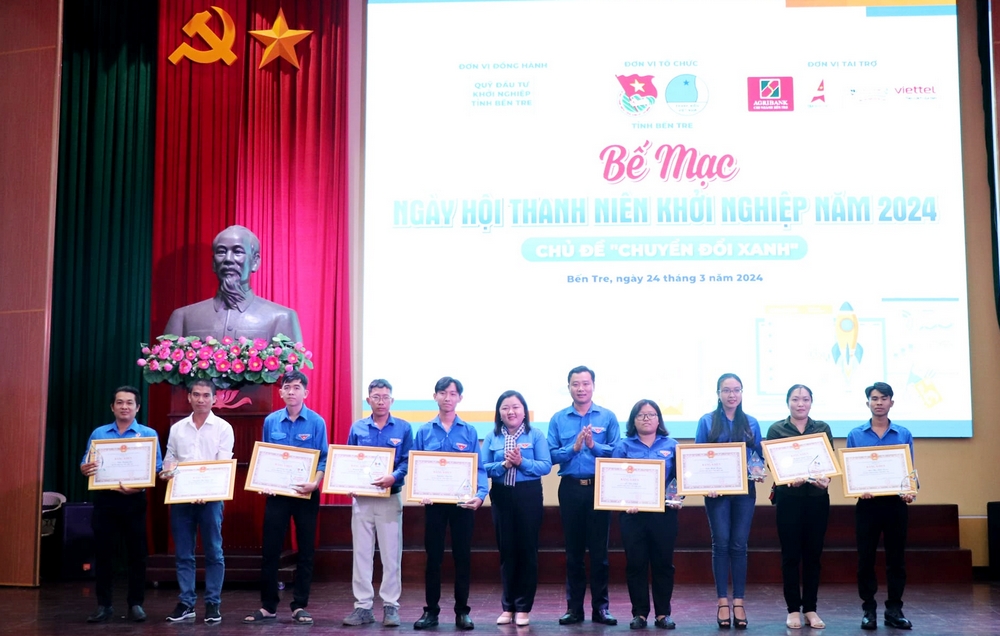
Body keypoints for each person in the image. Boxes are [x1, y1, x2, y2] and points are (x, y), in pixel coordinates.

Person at [244, 371, 327, 625]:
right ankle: (268, 605)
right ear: (280, 392)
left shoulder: (316, 422)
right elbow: (266, 456)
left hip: (306, 493)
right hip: (277, 495)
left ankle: (299, 605)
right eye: (287, 387)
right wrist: (264, 481)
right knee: (270, 549)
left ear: (305, 393)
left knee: (305, 550)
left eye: (297, 387)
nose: (291, 391)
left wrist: (315, 483)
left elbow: (323, 458)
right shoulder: (271, 421)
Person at [80, 386, 163, 623]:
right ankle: (104, 605)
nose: (124, 407)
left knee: (137, 554)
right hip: (105, 500)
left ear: (137, 407)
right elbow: (86, 462)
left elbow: (157, 468)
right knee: (103, 554)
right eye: (119, 402)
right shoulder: (99, 433)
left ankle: (136, 604)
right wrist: (84, 468)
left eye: (129, 403)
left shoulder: (148, 434)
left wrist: (139, 486)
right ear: (112, 407)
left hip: (134, 500)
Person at [412, 377, 488, 631]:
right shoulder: (424, 431)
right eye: (443, 393)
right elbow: (416, 466)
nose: (447, 397)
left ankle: (462, 612)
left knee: (462, 557)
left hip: (463, 505)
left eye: (453, 393)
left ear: (460, 398)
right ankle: (431, 611)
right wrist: (419, 491)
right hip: (433, 504)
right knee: (433, 558)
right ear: (435, 396)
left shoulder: (469, 431)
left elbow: (478, 467)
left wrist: (481, 494)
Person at [547, 365, 621, 626]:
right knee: (574, 552)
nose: (581, 388)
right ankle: (574, 609)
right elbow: (550, 455)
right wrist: (574, 448)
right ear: (568, 387)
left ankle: (601, 608)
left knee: (600, 553)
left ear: (593, 386)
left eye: (585, 383)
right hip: (570, 488)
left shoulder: (607, 417)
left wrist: (593, 445)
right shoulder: (558, 419)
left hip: (599, 488)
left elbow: (617, 452)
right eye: (575, 384)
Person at [159, 379, 235, 623]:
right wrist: (165, 472)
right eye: (196, 394)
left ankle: (213, 603)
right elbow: (170, 459)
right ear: (189, 397)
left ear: (214, 399)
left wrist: (207, 491)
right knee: (183, 553)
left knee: (214, 551)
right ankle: (186, 602)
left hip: (211, 499)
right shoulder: (177, 429)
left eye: (206, 395)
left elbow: (223, 466)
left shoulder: (223, 428)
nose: (201, 399)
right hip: (181, 498)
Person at [342, 379, 413, 628]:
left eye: (385, 397)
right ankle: (363, 607)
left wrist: (393, 476)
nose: (381, 401)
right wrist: (347, 482)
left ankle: (391, 606)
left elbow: (407, 460)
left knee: (391, 555)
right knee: (361, 554)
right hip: (362, 500)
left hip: (390, 497)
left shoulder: (403, 428)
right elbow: (348, 459)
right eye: (376, 397)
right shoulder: (358, 427)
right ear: (368, 400)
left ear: (392, 400)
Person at [695, 372, 762, 630]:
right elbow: (698, 457)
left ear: (742, 393)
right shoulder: (707, 421)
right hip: (717, 494)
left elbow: (757, 457)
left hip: (745, 492)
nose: (732, 395)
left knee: (739, 545)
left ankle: (739, 602)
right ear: (718, 394)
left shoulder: (752, 422)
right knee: (721, 543)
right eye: (726, 390)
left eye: (736, 390)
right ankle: (722, 601)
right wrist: (706, 484)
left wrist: (758, 470)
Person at [848, 382, 916, 631]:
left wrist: (910, 491)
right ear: (867, 402)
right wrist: (858, 488)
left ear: (891, 403)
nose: (879, 402)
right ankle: (869, 610)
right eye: (874, 398)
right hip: (867, 505)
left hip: (896, 505)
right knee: (865, 559)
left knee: (896, 560)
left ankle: (894, 610)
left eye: (884, 398)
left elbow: (909, 472)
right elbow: (852, 471)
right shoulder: (856, 434)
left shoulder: (903, 434)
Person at [480, 390, 552, 627]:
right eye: (505, 408)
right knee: (507, 550)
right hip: (502, 495)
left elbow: (545, 466)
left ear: (524, 411)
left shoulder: (536, 435)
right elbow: (483, 467)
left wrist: (522, 462)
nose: (510, 412)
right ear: (499, 413)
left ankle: (523, 607)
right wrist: (503, 464)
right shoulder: (492, 437)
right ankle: (507, 606)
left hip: (528, 495)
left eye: (515, 407)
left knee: (527, 551)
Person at [765, 384, 833, 630]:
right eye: (795, 399)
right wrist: (786, 478)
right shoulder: (776, 429)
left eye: (805, 399)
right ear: (788, 402)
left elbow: (828, 461)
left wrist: (826, 478)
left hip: (817, 499)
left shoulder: (822, 428)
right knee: (791, 555)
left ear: (811, 402)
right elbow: (773, 463)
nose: (800, 403)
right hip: (788, 499)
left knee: (813, 556)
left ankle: (811, 609)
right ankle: (793, 609)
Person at [163, 225, 302, 342]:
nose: (228, 259)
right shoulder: (183, 318)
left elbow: (292, 366)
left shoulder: (281, 318)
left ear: (255, 262)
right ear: (213, 263)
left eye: (238, 252)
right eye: (221, 252)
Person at [613, 399, 680, 630]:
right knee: (636, 564)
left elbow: (680, 479)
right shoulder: (623, 447)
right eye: (641, 415)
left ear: (659, 419)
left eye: (651, 414)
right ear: (633, 420)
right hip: (633, 515)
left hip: (664, 514)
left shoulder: (672, 445)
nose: (646, 418)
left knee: (663, 564)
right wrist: (625, 501)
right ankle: (639, 613)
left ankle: (663, 614)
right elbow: (615, 480)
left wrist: (677, 497)